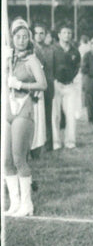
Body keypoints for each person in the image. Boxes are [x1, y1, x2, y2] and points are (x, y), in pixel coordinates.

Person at [4, 19, 48, 217]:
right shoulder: (8, 58)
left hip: (24, 109)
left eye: (24, 37)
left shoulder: (31, 59)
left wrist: (21, 85)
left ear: (29, 39)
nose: (21, 40)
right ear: (12, 38)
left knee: (19, 158)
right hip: (7, 111)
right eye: (17, 36)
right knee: (5, 160)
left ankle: (27, 204)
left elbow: (43, 84)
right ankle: (14, 203)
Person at [51, 26, 81, 150]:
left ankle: (70, 141)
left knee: (70, 114)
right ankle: (56, 141)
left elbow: (77, 67)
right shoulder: (53, 49)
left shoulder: (75, 51)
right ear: (59, 35)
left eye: (69, 32)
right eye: (64, 32)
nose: (67, 35)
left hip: (69, 85)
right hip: (56, 84)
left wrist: (71, 79)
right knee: (55, 115)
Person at [32, 24, 55, 152]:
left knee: (47, 115)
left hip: (48, 86)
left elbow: (54, 69)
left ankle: (48, 144)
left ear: (45, 34)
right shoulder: (30, 49)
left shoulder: (51, 50)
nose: (39, 36)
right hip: (34, 86)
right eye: (37, 33)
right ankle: (34, 146)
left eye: (42, 33)